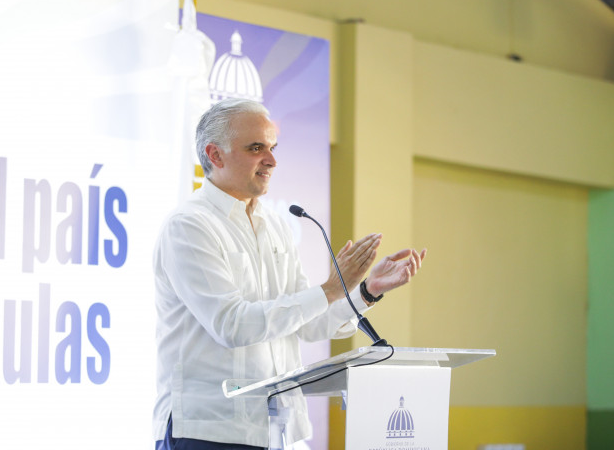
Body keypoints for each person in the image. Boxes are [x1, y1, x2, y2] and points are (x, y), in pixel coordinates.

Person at [153, 98, 425, 449]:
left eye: (272, 148)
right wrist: (329, 289)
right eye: (256, 148)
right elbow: (231, 325)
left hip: (277, 429)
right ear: (215, 155)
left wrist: (366, 291)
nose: (272, 160)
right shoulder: (189, 226)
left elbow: (308, 324)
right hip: (209, 431)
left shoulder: (276, 225)